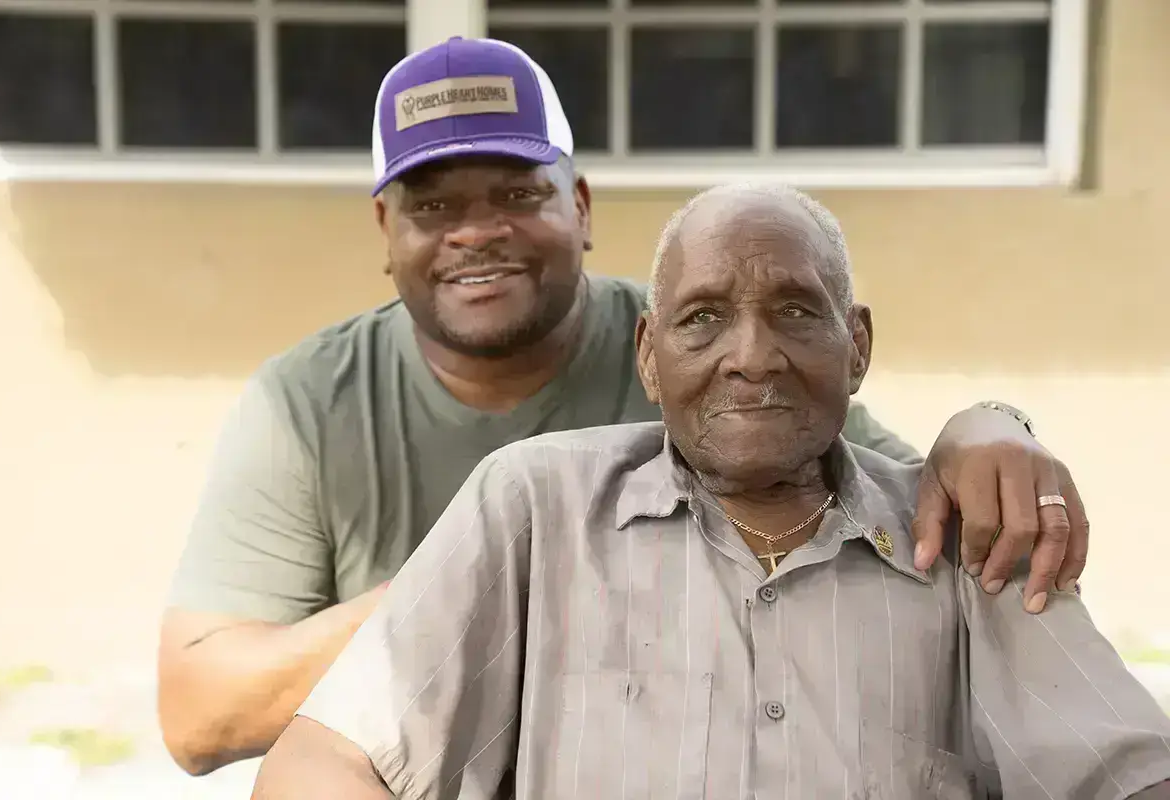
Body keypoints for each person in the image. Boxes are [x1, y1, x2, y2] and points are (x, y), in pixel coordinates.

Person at [158, 36, 1090, 776]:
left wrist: (989, 423)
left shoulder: (704, 354)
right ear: (385, 229)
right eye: (433, 207)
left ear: (581, 206)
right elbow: (200, 715)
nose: (477, 231)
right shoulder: (307, 406)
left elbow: (897, 507)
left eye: (518, 192)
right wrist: (490, 575)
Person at [253, 184, 1170, 800]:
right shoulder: (534, 508)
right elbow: (324, 764)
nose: (752, 356)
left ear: (856, 347)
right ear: (649, 356)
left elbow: (1132, 780)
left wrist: (994, 418)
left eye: (797, 311)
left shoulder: (963, 538)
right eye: (702, 319)